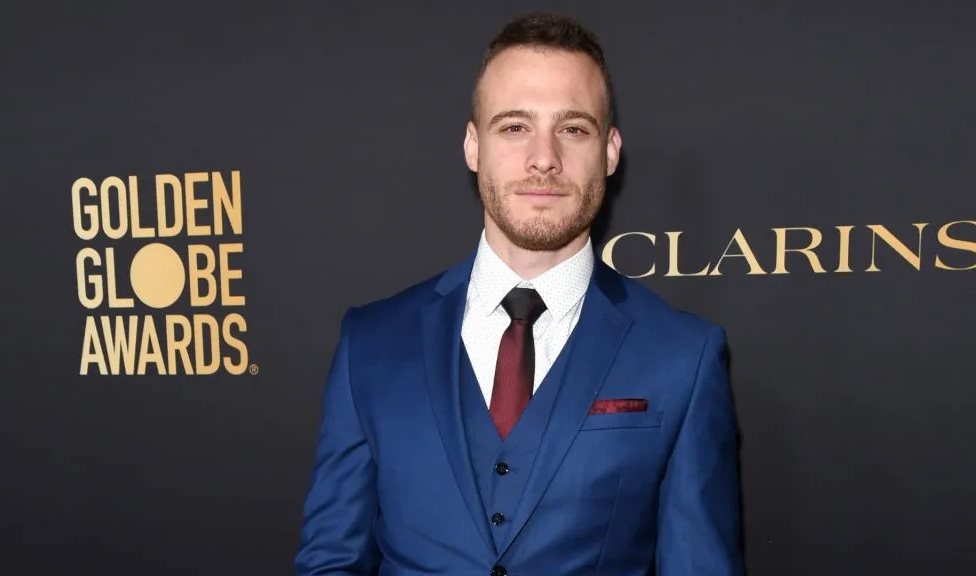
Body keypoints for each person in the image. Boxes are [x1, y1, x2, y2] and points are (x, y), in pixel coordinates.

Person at [295, 11, 743, 575]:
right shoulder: (371, 342)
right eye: (514, 126)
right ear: (472, 145)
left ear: (609, 150)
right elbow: (332, 561)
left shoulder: (684, 356)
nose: (544, 157)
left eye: (573, 128)